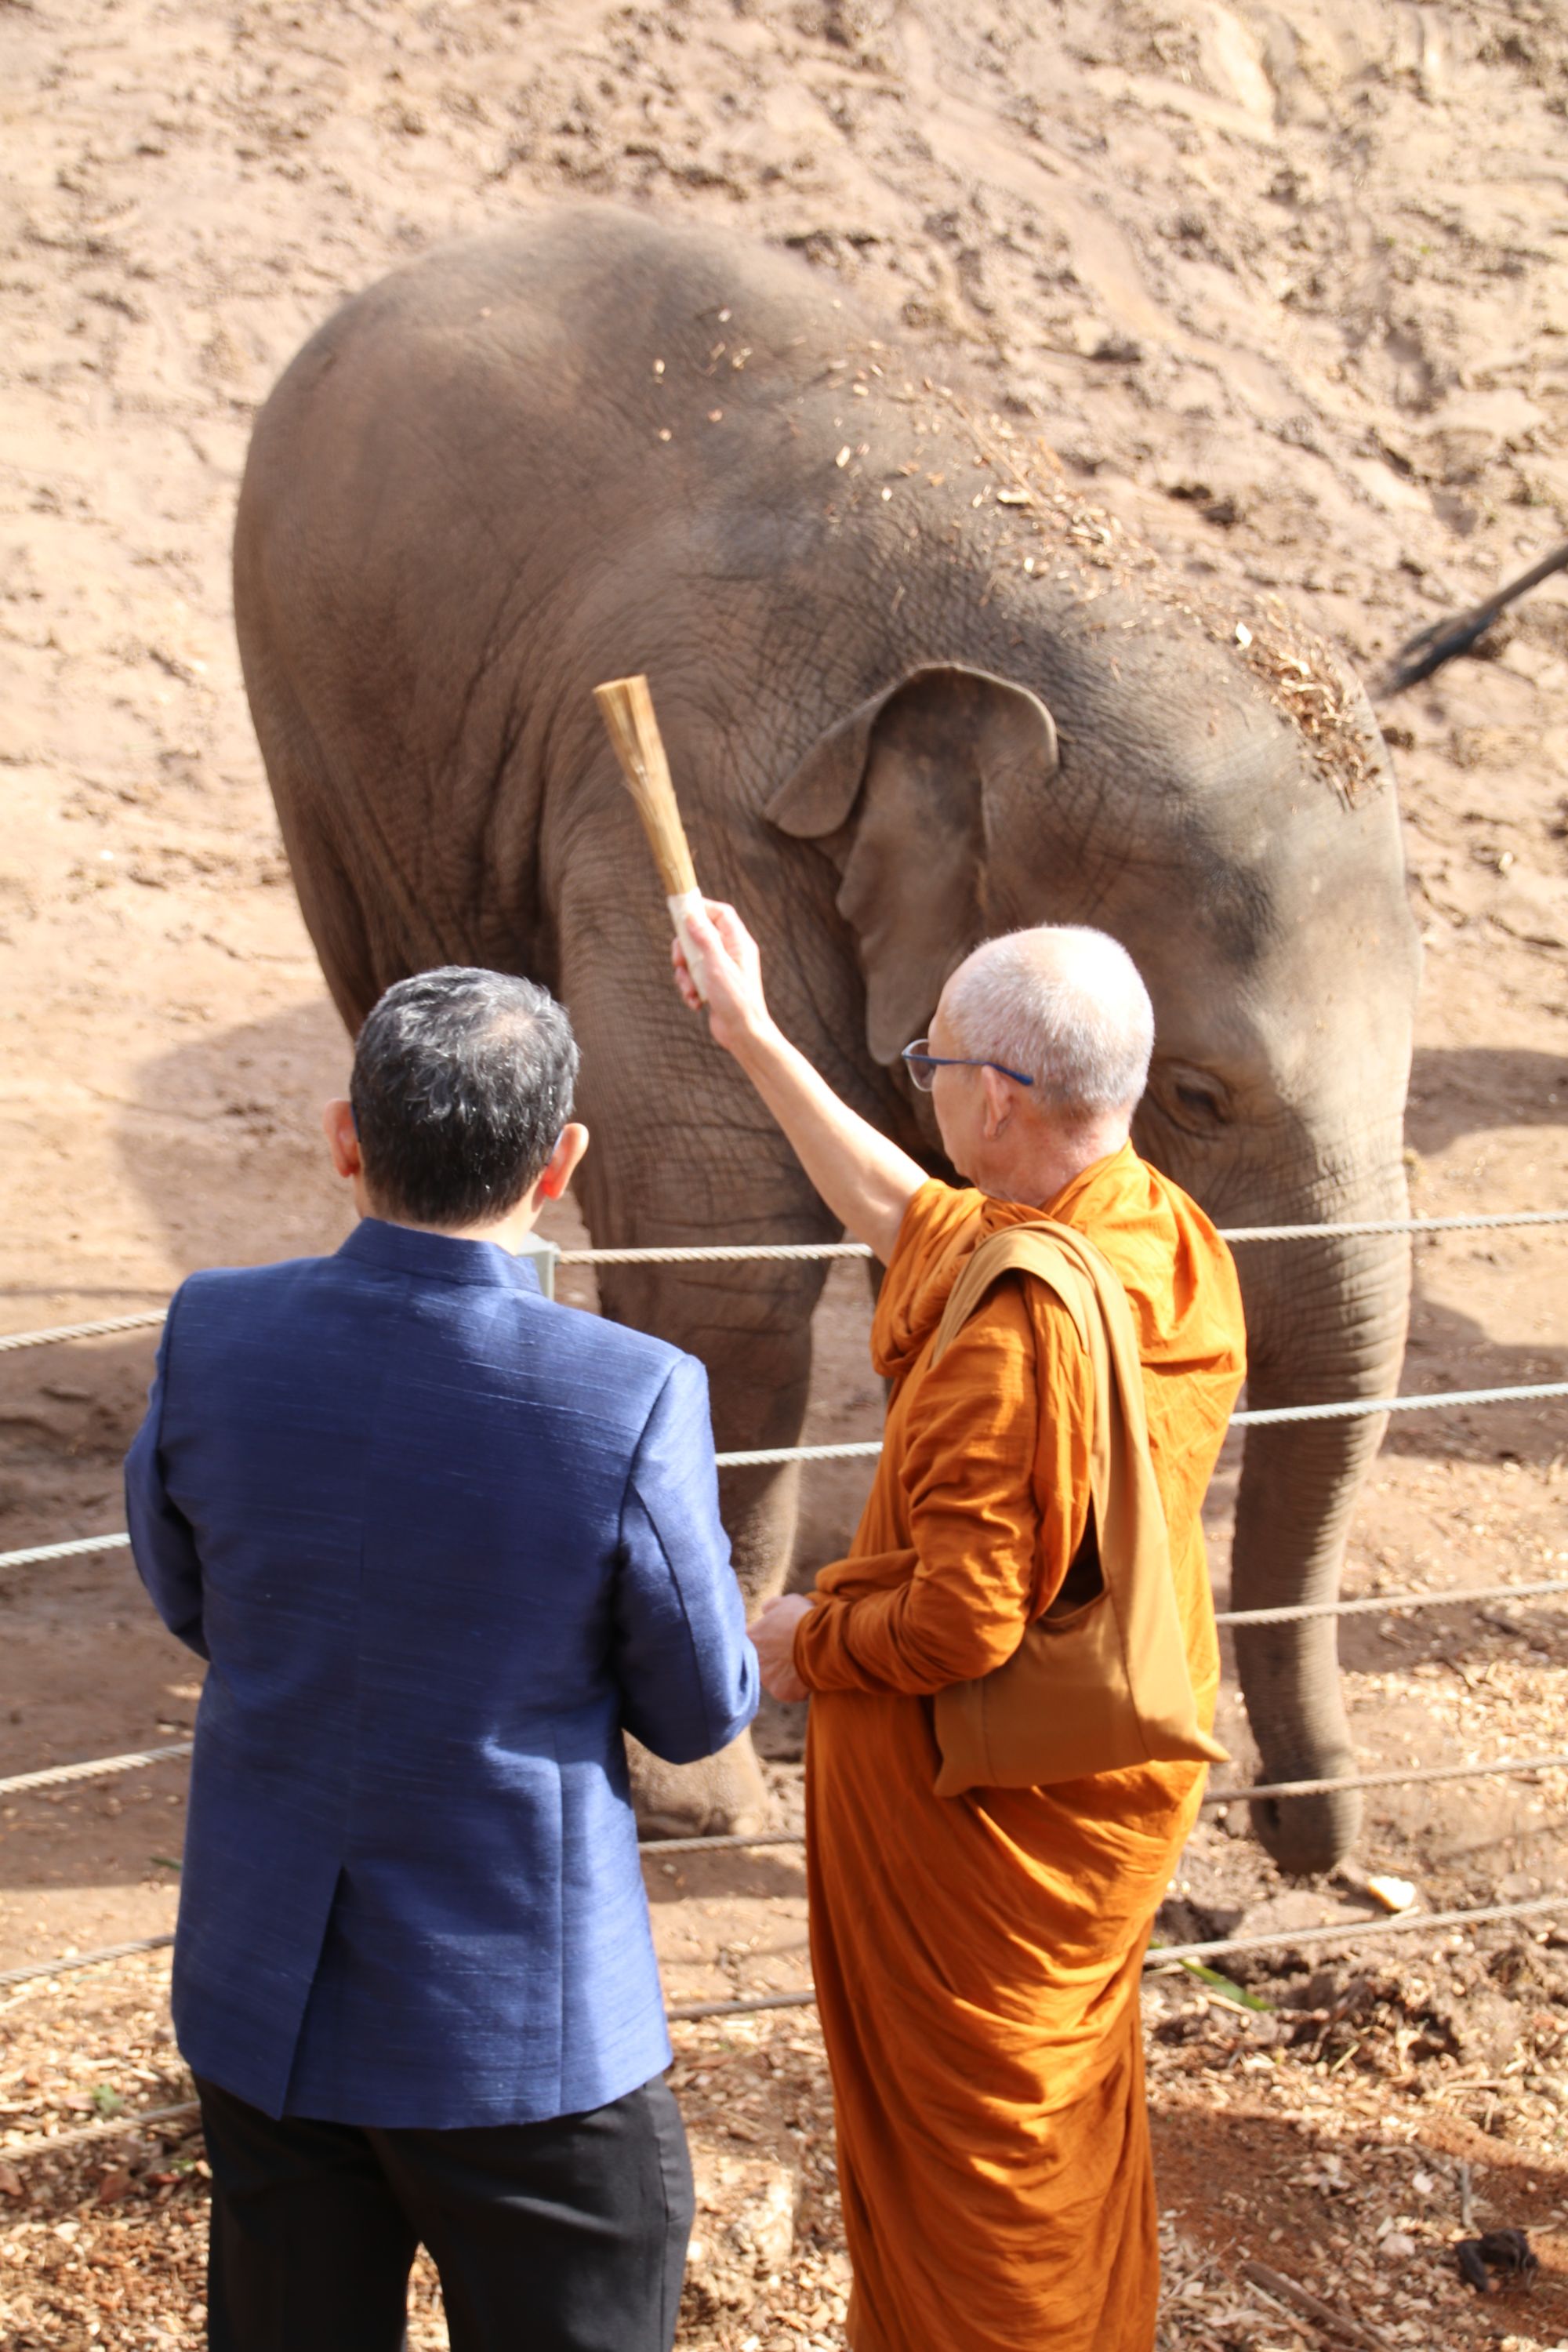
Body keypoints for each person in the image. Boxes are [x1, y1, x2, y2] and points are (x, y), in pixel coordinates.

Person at [125, 966, 757, 2352]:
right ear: (560, 1163)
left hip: (266, 2004)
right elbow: (701, 1707)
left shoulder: (212, 1334)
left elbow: (189, 1595)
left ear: (346, 1136)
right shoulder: (629, 1392)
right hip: (521, 2033)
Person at [673, 902, 1246, 2352]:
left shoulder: (1015, 1332)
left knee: (988, 2172)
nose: (918, 1082)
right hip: (1106, 1781)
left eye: (929, 1058)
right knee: (1056, 2120)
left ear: (997, 1095)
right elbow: (903, 1215)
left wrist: (807, 1642)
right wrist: (749, 1034)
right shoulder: (1158, 1242)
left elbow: (961, 1627)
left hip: (992, 1810)